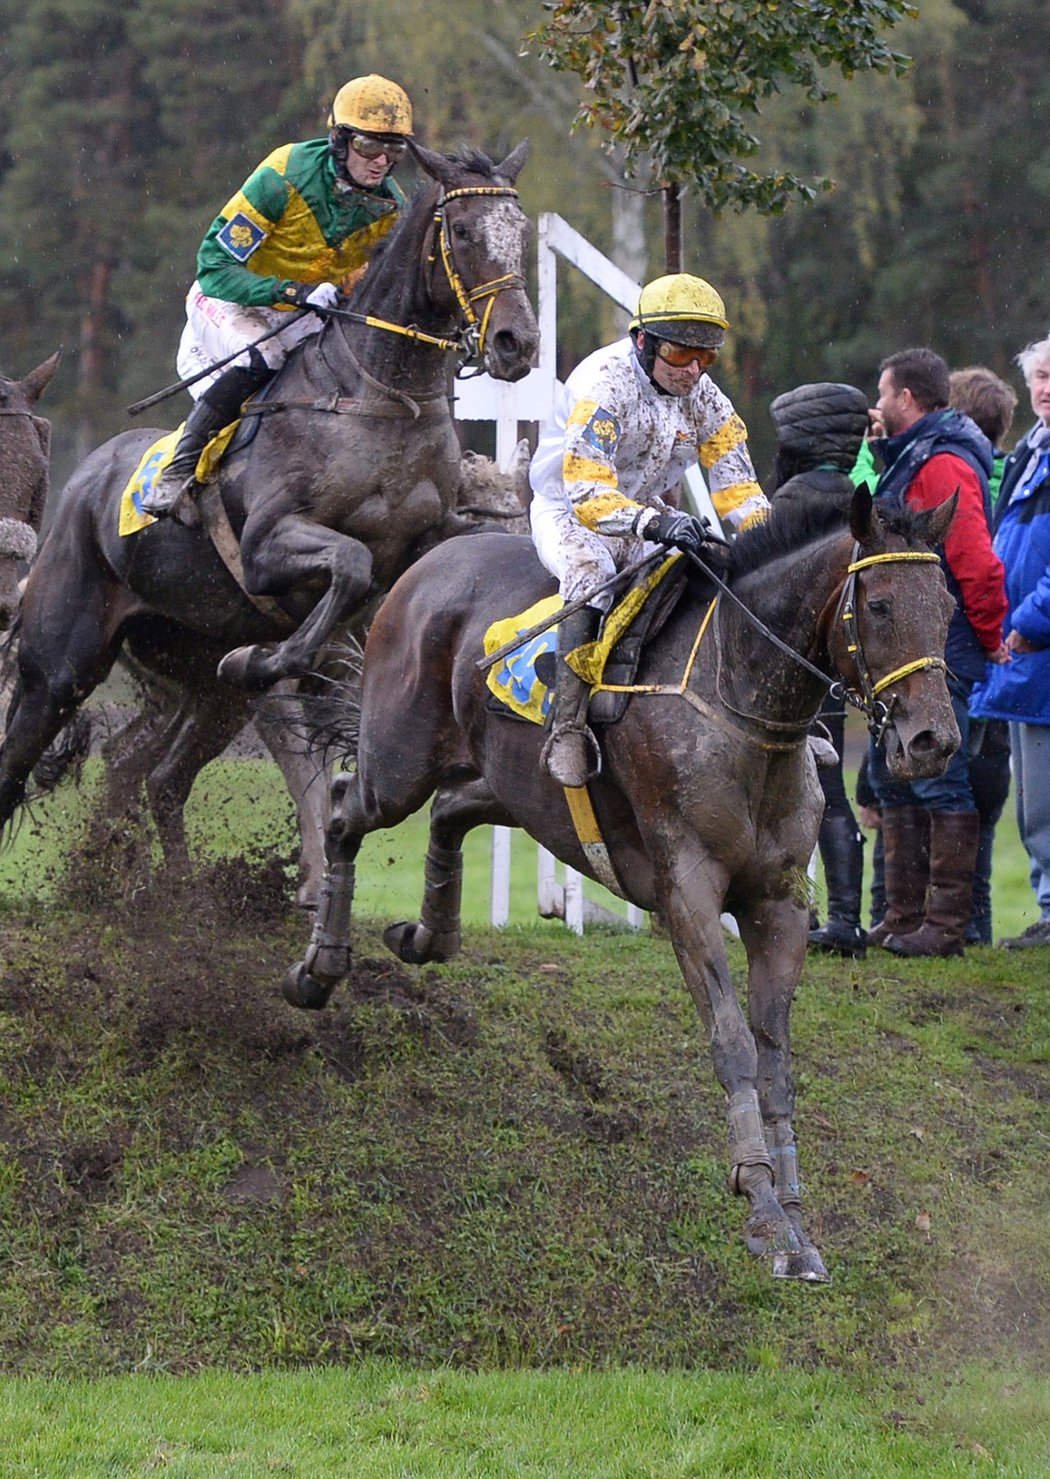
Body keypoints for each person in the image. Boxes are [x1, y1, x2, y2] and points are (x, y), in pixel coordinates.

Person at [528, 273, 770, 788]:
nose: (695, 371)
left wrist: (768, 544)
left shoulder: (704, 397)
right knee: (593, 572)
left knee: (712, 566)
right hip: (570, 509)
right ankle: (567, 726)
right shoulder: (605, 383)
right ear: (644, 340)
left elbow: (737, 486)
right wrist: (656, 521)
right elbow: (588, 491)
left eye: (707, 357)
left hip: (646, 513)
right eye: (683, 356)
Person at [142, 74, 413, 519]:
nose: (382, 161)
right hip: (230, 301)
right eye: (369, 146)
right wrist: (292, 290)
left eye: (394, 149)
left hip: (303, 311)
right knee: (263, 357)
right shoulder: (284, 173)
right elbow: (213, 267)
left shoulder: (390, 208)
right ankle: (179, 467)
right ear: (340, 140)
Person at [867, 347, 1008, 958]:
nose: (876, 404)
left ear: (908, 400)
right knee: (897, 778)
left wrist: (991, 635)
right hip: (914, 645)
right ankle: (903, 918)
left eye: (882, 393)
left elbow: (975, 561)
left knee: (939, 778)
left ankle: (944, 927)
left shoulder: (943, 464)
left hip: (939, 646)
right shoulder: (911, 456)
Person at [767, 382, 872, 958]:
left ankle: (813, 917)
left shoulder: (793, 499)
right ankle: (846, 918)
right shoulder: (856, 495)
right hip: (831, 670)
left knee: (804, 791)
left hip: (790, 673)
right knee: (830, 791)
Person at [971, 338, 1050, 947]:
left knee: (1045, 800)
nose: (1045, 389)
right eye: (1040, 379)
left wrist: (1026, 620)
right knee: (1033, 804)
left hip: (1035, 644)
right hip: (1022, 656)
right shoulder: (1030, 453)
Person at [947, 367, 1017, 945]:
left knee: (959, 791)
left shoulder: (956, 476)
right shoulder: (1007, 476)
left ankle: (962, 929)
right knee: (985, 808)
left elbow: (981, 570)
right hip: (1000, 663)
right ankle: (975, 928)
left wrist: (991, 637)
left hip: (977, 655)